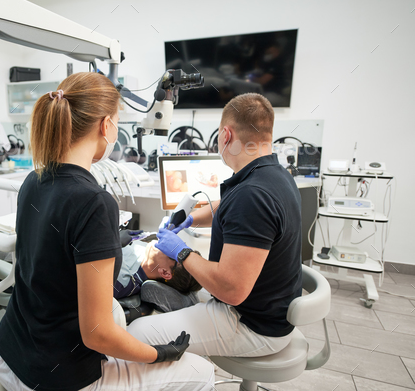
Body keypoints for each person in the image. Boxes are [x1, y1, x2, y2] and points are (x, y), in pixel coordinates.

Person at [0, 72, 214, 391]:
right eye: (118, 120)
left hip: (9, 354)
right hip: (52, 379)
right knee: (201, 371)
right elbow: (96, 333)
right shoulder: (95, 203)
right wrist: (157, 354)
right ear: (107, 126)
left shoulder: (33, 180)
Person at [128, 93, 303, 359]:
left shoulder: (252, 195)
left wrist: (182, 253)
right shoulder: (274, 176)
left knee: (137, 332)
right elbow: (226, 206)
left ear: (226, 135)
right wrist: (190, 218)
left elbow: (231, 291)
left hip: (250, 325)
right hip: (270, 311)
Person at [115, 239, 202, 300]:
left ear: (165, 272)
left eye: (174, 251)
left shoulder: (122, 282)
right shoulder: (147, 249)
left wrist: (113, 242)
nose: (170, 243)